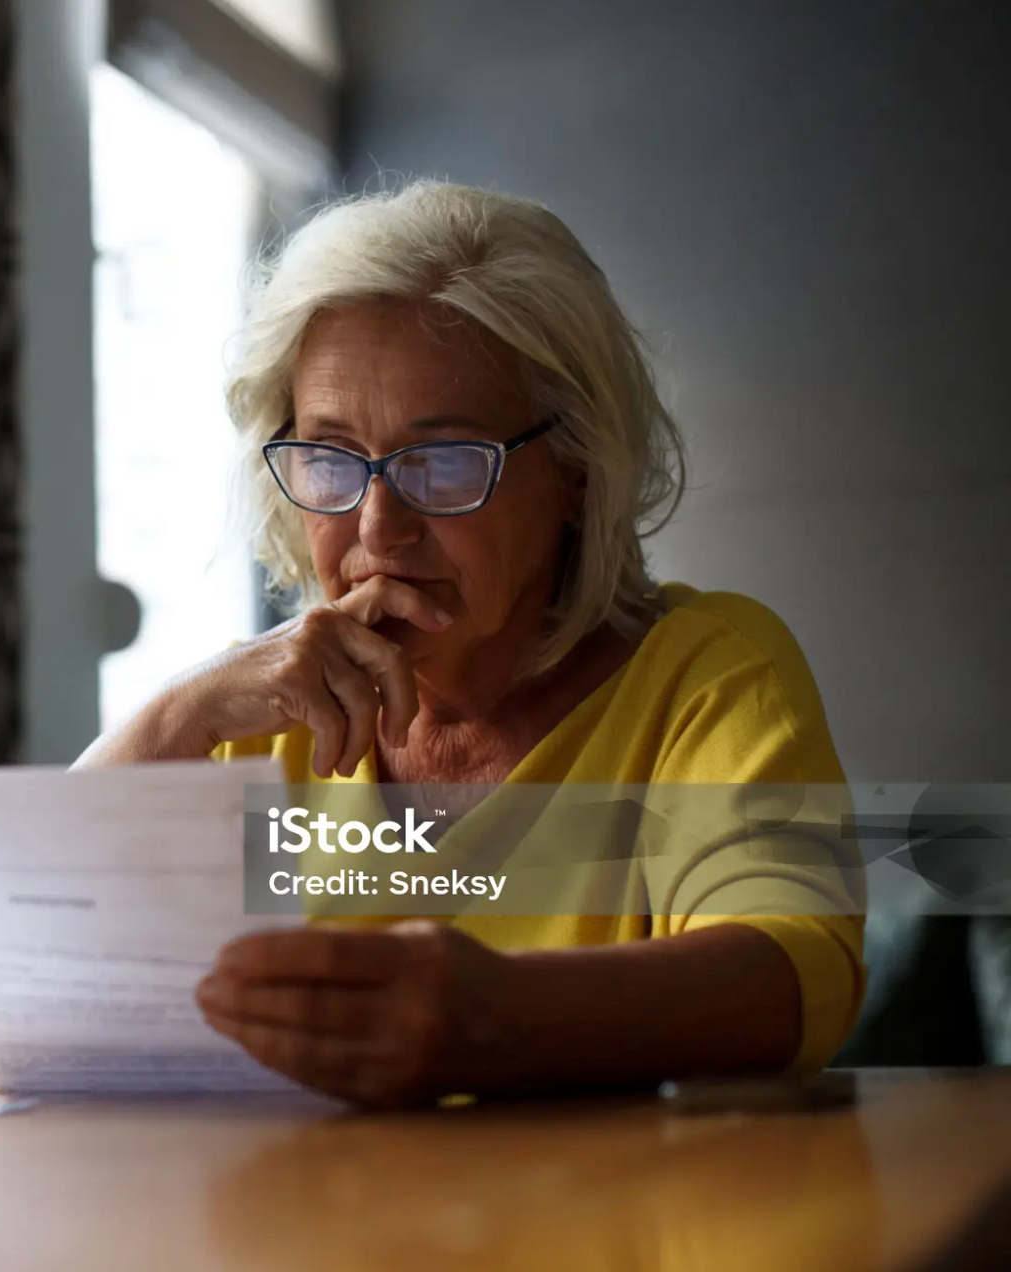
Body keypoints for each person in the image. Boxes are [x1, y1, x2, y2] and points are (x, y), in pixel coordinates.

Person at [75, 180, 864, 1106]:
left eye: (443, 461)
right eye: (329, 458)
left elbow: (792, 976)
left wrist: (498, 1017)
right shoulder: (259, 720)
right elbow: (16, 950)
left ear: (576, 469)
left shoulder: (704, 676)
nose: (379, 527)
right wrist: (182, 708)